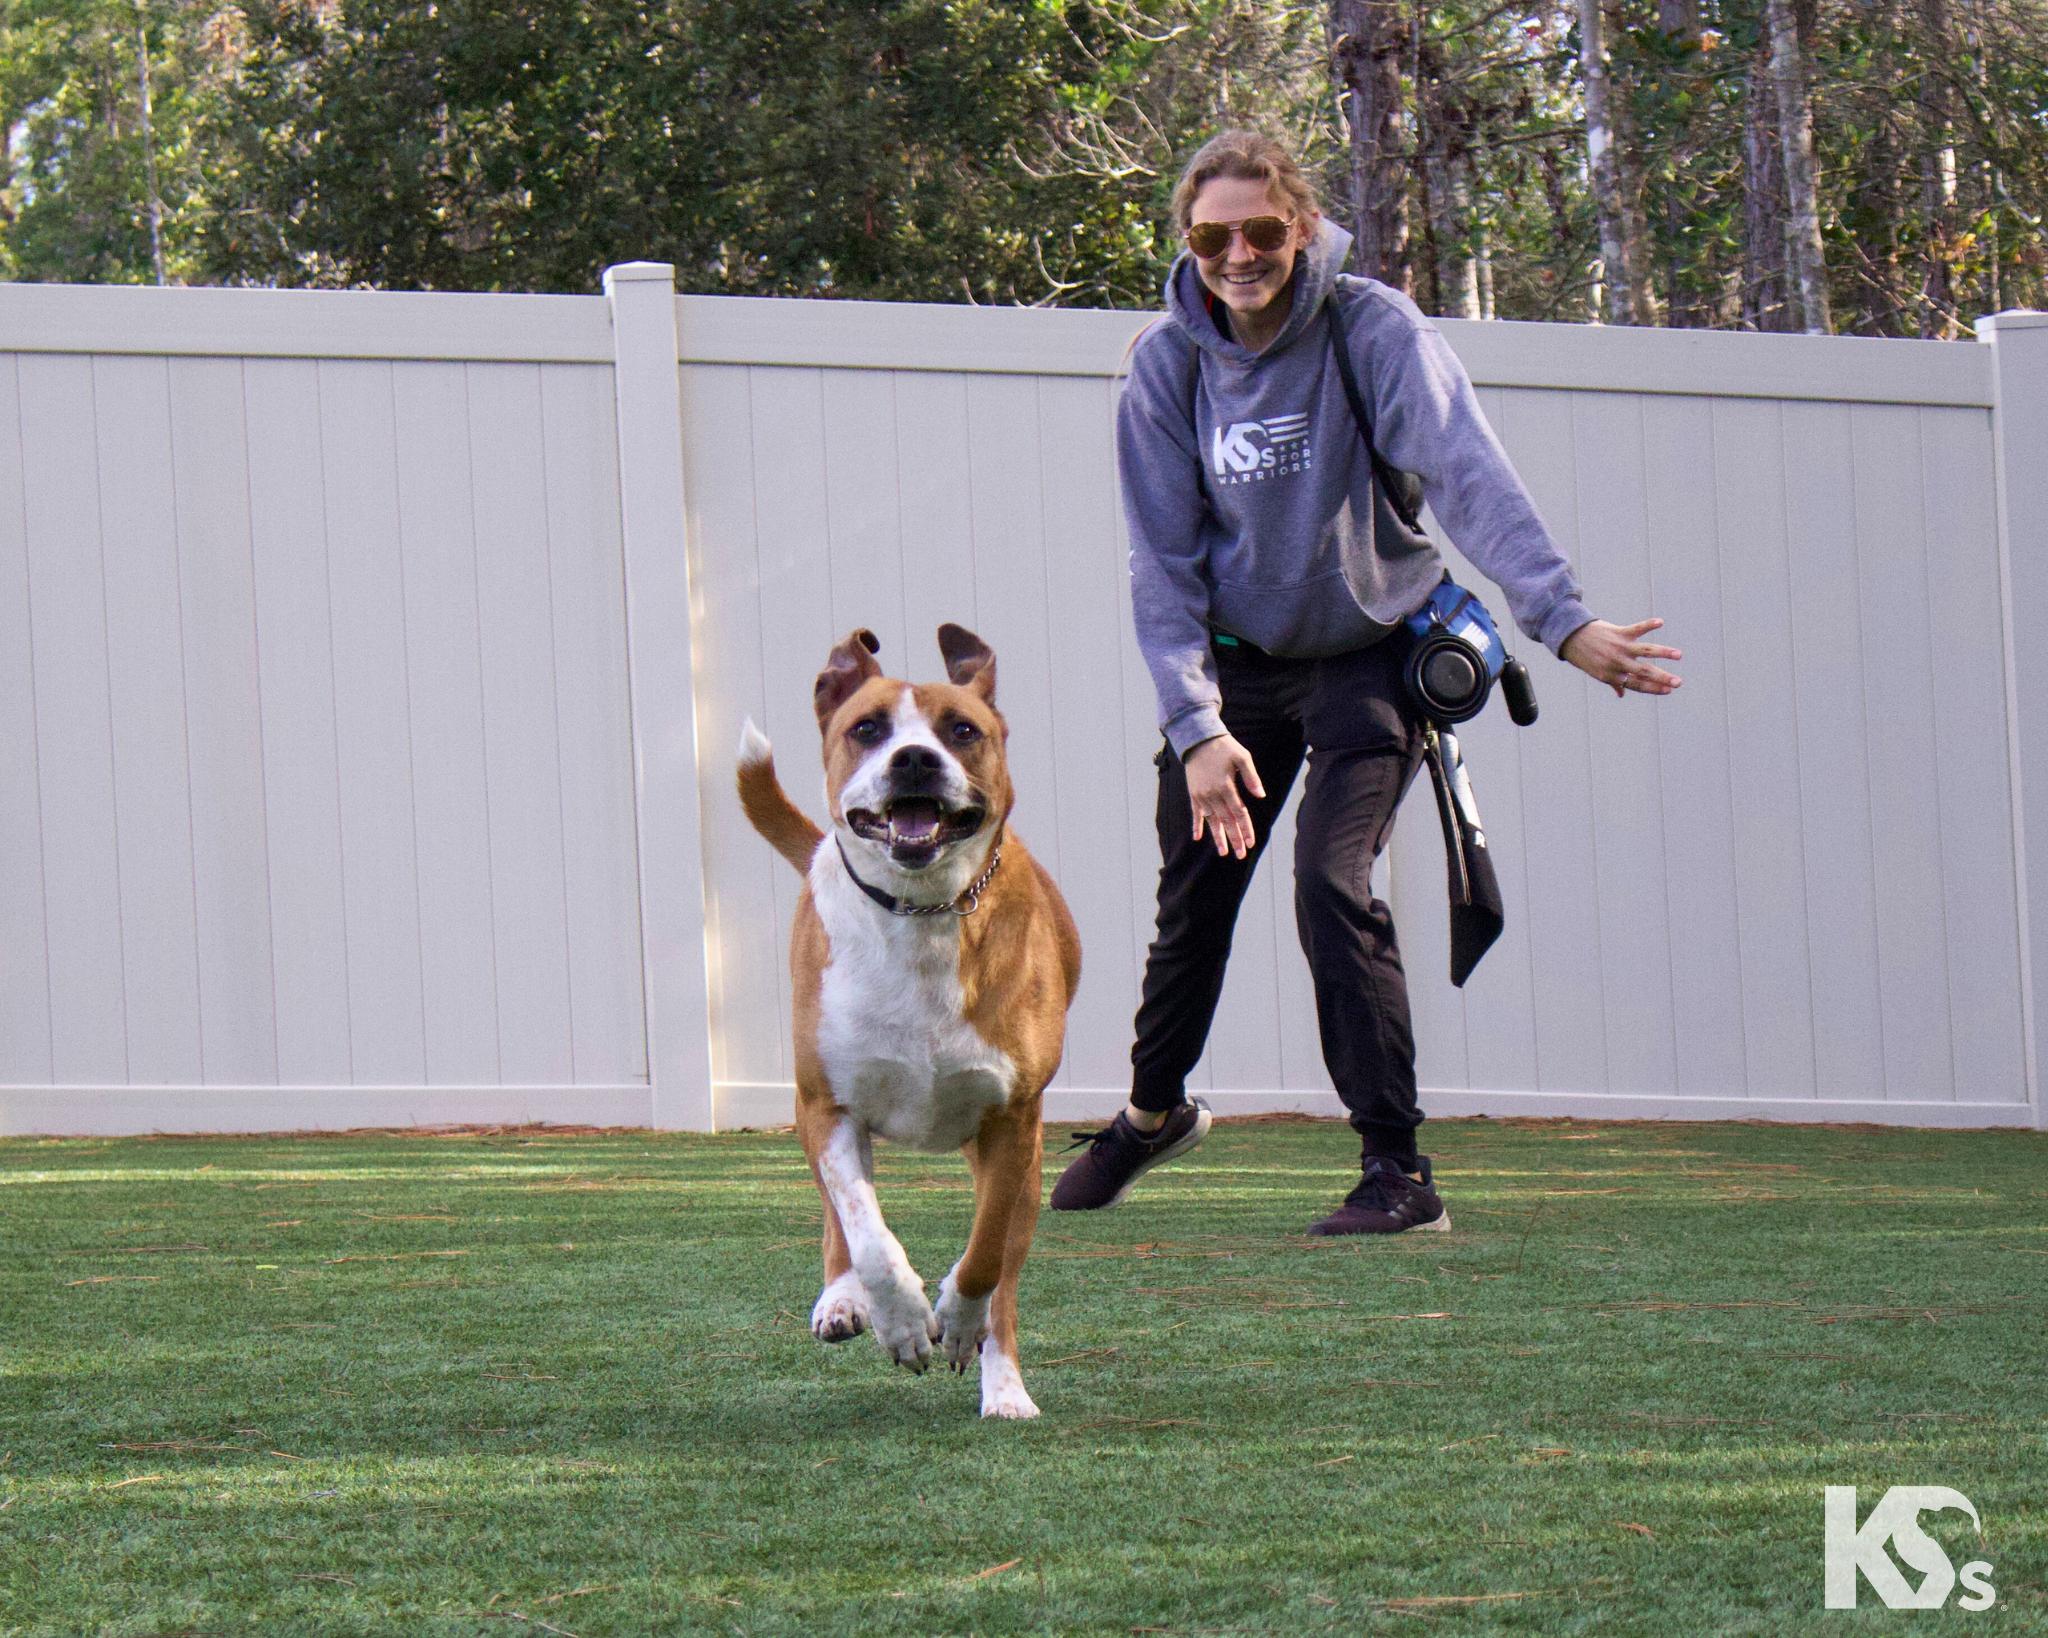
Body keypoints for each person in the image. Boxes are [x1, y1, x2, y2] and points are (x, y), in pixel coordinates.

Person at [1048, 129, 1681, 1235]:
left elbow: (1466, 476)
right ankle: (1153, 1116)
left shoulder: (1367, 328)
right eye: (1212, 235)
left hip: (1367, 652)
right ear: (1187, 243)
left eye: (1260, 231)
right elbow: (1163, 562)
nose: (1238, 254)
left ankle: (1397, 1173)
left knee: (1329, 888)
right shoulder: (1164, 368)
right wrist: (1194, 726)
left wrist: (1564, 621)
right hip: (1241, 670)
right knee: (1196, 898)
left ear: (1298, 227)